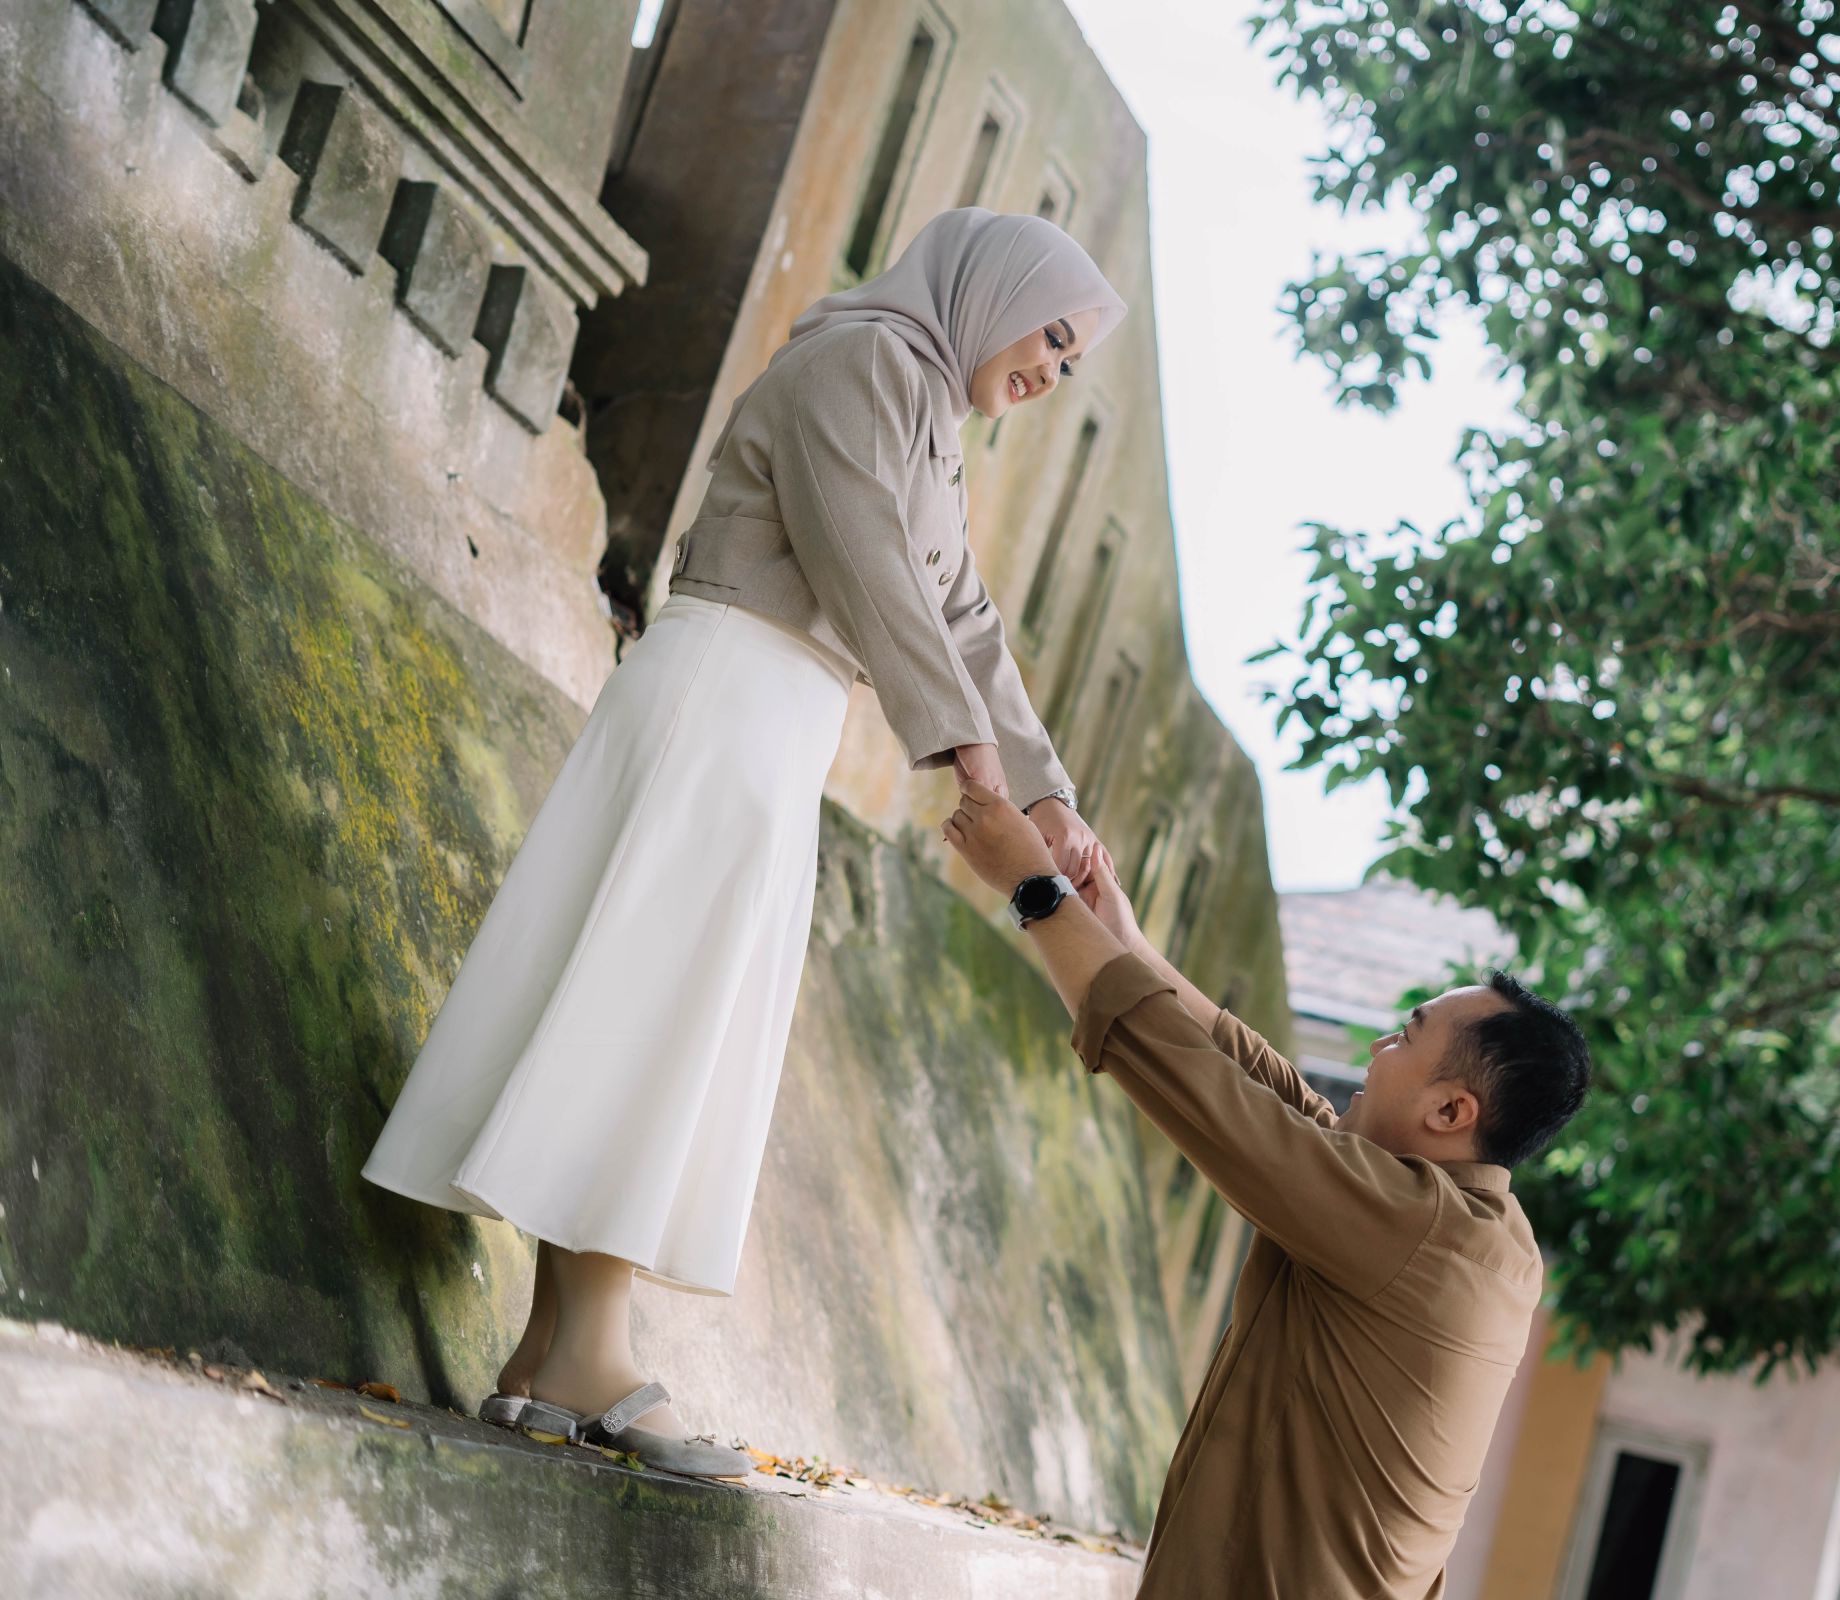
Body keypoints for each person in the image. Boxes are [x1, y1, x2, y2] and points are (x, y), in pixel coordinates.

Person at [361, 210, 1126, 1478]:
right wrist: (960, 747)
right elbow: (862, 553)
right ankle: (594, 1352)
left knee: (658, 1005)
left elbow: (966, 620)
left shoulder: (929, 419)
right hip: (728, 693)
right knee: (651, 1006)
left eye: (1073, 360)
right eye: (1050, 336)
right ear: (988, 293)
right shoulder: (867, 358)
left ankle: (544, 1355)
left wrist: (1047, 796)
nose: (1053, 369)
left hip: (773, 722)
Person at [939, 780, 1594, 1598]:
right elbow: (1278, 1100)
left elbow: (1217, 1099)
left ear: (1451, 1110)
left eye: (1405, 1036)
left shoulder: (1429, 1234)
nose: (1376, 1049)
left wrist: (1035, 891)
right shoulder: (1471, 1230)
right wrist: (1126, 944)